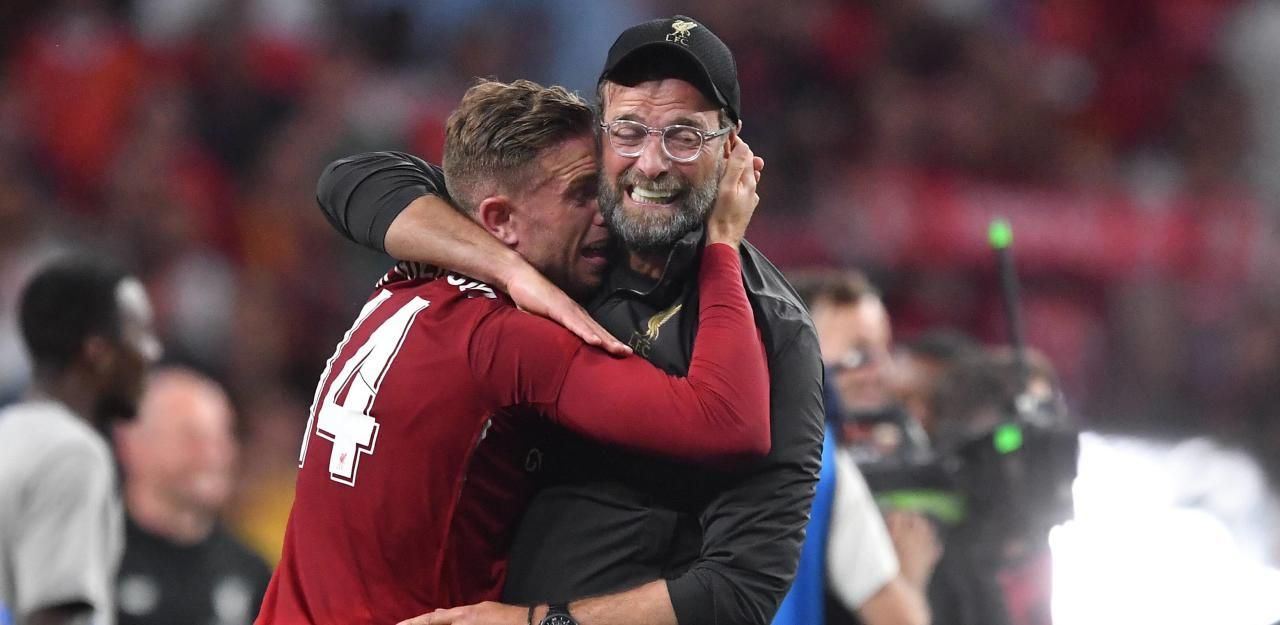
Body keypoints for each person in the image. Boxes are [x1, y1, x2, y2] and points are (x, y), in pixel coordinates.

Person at [318, 16, 825, 625]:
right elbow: (353, 181)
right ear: (599, 133)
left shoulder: (775, 331)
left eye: (685, 136)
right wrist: (511, 272)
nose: (652, 163)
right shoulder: (554, 236)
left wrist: (540, 622)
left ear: (732, 146)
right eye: (629, 131)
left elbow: (741, 589)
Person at [0, 256, 161, 625]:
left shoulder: (9, 432)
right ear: (97, 353)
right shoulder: (72, 455)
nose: (153, 352)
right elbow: (52, 616)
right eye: (140, 334)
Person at [780, 269, 939, 625]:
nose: (881, 372)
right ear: (799, 346)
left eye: (885, 351)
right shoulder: (822, 465)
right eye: (860, 352)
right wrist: (909, 580)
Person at [113, 368, 272, 625]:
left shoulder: (251, 573)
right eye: (191, 437)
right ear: (133, 443)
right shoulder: (90, 559)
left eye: (222, 437)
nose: (213, 456)